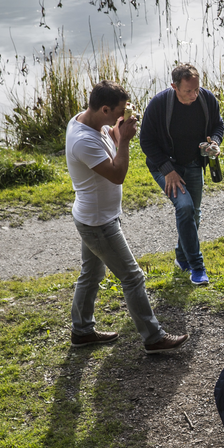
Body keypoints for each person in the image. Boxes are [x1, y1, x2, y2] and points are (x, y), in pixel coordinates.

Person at [67, 80, 188, 354]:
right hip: (98, 223)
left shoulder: (85, 121)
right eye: (119, 112)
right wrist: (127, 141)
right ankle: (153, 338)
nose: (122, 116)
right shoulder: (82, 141)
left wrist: (118, 132)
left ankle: (82, 331)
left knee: (90, 274)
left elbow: (109, 138)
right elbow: (118, 174)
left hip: (92, 217)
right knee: (133, 277)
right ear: (105, 108)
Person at [139, 63, 224, 286]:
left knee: (194, 215)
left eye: (197, 89)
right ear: (174, 87)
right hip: (165, 167)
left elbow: (218, 125)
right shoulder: (159, 104)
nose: (195, 95)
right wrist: (168, 171)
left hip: (195, 164)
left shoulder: (206, 99)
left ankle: (181, 258)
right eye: (189, 91)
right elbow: (146, 141)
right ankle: (197, 267)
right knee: (185, 207)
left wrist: (215, 141)